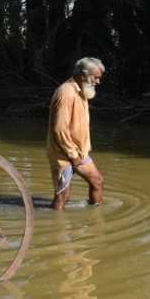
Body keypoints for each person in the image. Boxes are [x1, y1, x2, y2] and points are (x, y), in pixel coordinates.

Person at [48, 57, 105, 210]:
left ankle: (95, 217)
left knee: (97, 181)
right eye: (96, 77)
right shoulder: (66, 93)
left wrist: (80, 153)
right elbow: (59, 129)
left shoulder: (82, 90)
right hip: (65, 153)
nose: (98, 82)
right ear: (82, 76)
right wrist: (73, 156)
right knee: (62, 196)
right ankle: (55, 227)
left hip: (79, 151)